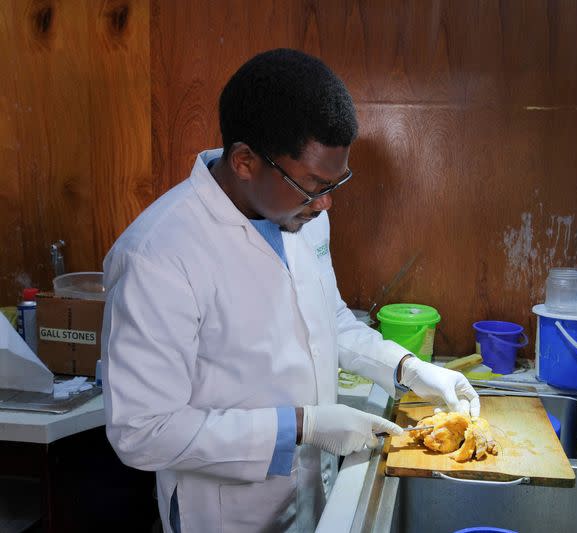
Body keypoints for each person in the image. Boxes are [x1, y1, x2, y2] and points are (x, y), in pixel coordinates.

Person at [101, 48, 480, 532]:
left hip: (309, 493)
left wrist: (408, 369)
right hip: (224, 512)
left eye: (335, 182)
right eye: (312, 185)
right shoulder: (157, 255)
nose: (324, 203)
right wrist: (303, 425)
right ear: (244, 161)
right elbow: (142, 432)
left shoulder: (298, 212)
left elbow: (328, 320)